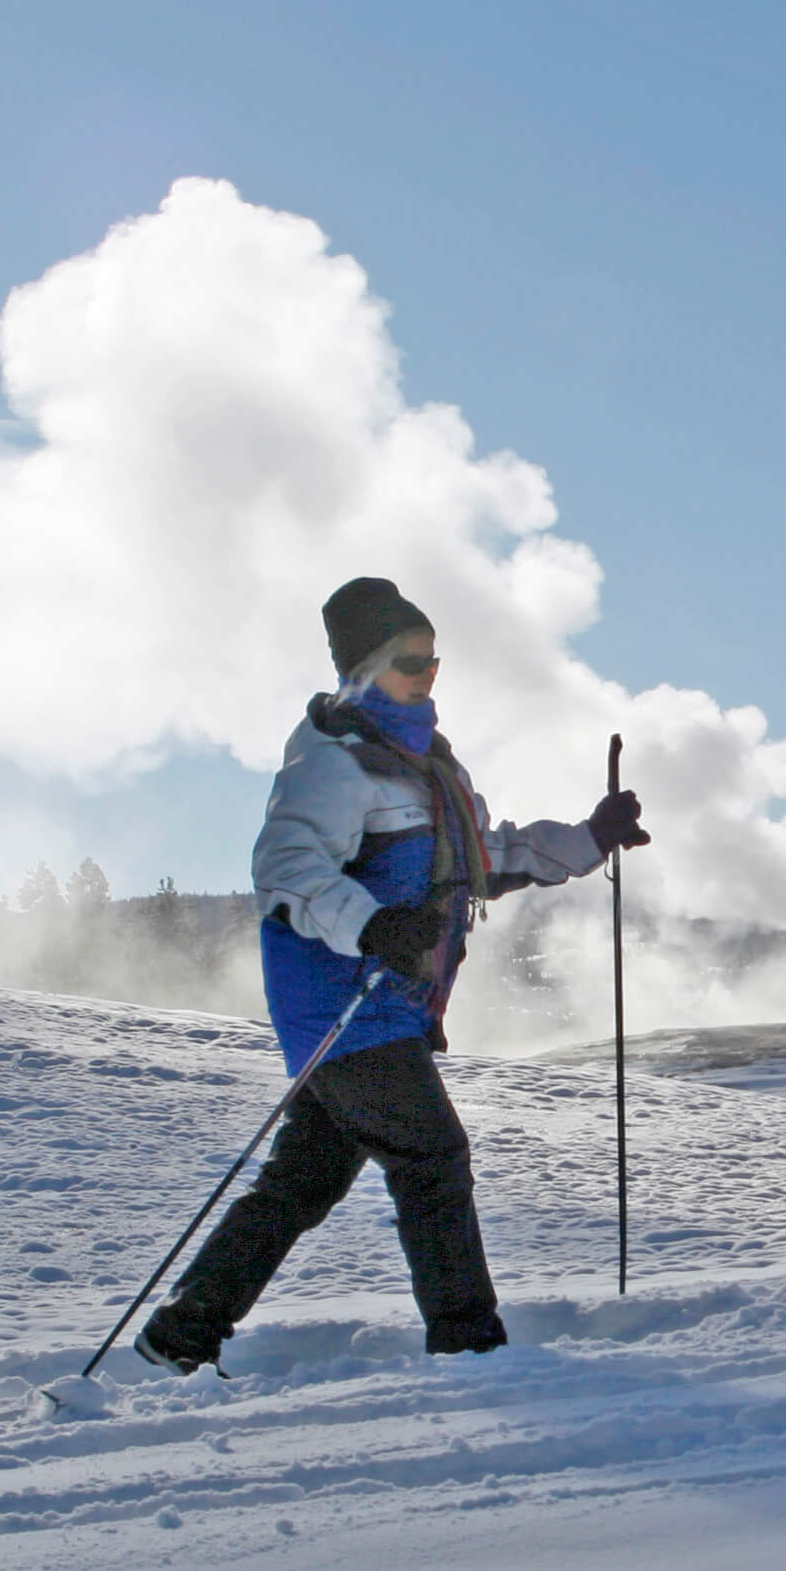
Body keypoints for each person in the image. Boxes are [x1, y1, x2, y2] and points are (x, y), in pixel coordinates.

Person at [137, 577, 648, 1370]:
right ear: (365, 667)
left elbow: (488, 858)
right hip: (345, 1005)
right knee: (432, 1158)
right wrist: (372, 925)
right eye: (411, 662)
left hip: (392, 1008)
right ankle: (470, 1347)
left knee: (299, 1187)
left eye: (434, 662)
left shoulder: (428, 764)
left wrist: (588, 838)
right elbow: (288, 870)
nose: (428, 676)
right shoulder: (331, 763)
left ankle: (177, 1339)